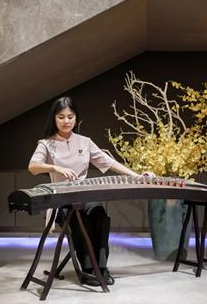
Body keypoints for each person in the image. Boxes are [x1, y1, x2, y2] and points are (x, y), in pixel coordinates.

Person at [27, 96, 146, 287]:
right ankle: (89, 270)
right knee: (79, 218)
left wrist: (137, 176)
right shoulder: (46, 144)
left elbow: (109, 162)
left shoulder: (84, 142)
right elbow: (33, 166)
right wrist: (55, 168)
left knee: (99, 214)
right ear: (54, 119)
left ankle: (101, 268)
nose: (66, 121)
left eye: (70, 117)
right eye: (61, 117)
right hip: (61, 201)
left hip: (84, 195)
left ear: (76, 118)